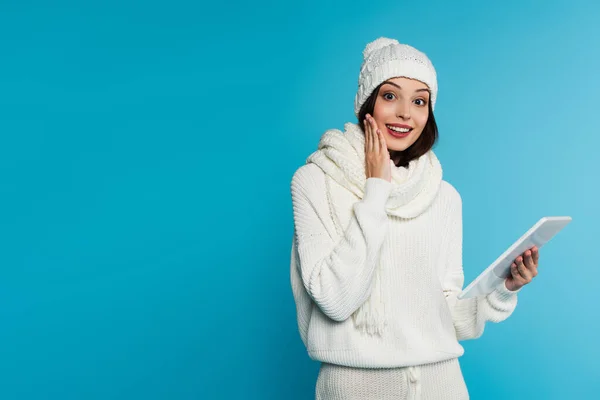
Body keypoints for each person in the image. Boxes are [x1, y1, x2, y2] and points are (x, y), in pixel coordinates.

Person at [289, 37, 541, 400]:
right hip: (356, 386)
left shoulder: (443, 196)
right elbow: (336, 300)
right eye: (391, 96)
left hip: (443, 383)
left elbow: (449, 315)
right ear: (367, 104)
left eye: (420, 101)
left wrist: (505, 287)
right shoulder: (315, 181)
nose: (406, 113)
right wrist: (376, 188)